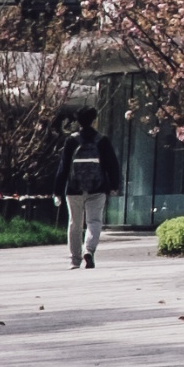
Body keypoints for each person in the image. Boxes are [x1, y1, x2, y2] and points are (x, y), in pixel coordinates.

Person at [54, 112, 116, 270]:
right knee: (94, 221)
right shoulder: (102, 140)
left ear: (78, 122)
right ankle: (89, 250)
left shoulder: (71, 140)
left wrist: (57, 191)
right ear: (94, 121)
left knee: (74, 223)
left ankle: (75, 260)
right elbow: (112, 165)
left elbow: (64, 167)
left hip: (74, 189)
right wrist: (114, 186)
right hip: (97, 187)